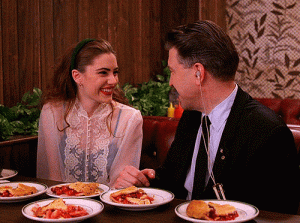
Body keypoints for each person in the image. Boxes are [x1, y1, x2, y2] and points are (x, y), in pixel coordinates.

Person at [114, 20, 300, 214]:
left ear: (198, 73)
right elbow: (174, 181)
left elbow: (279, 214)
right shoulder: (192, 116)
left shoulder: (267, 132)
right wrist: (145, 181)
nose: (170, 82)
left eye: (173, 71)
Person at [37, 39, 143, 187]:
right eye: (103, 73)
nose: (113, 80)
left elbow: (119, 186)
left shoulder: (130, 118)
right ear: (77, 76)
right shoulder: (52, 112)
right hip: (63, 206)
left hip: (110, 208)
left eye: (115, 72)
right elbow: (54, 179)